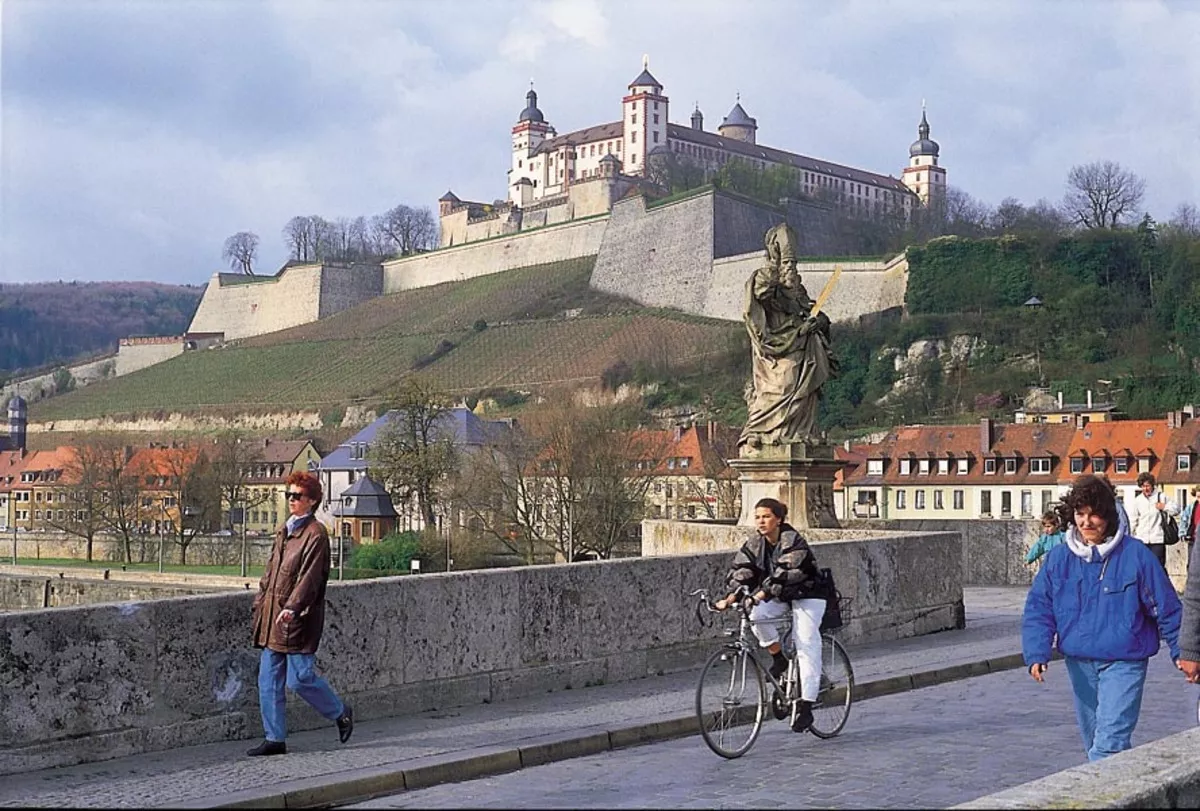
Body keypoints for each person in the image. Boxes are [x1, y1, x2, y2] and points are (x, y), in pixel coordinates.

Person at [1022, 474, 1181, 762]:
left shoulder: (1136, 555)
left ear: (1108, 516)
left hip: (1124, 661)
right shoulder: (1059, 558)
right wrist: (1036, 651)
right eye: (1080, 514)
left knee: (1108, 745)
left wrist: (1183, 651)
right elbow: (1039, 607)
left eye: (1094, 514)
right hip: (1080, 662)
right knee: (1096, 743)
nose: (1086, 522)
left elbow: (1166, 607)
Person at [247, 471, 353, 756]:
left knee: (300, 679)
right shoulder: (285, 530)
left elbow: (310, 579)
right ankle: (274, 739)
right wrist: (260, 602)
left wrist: (293, 608)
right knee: (268, 681)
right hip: (272, 616)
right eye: (289, 495)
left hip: (299, 618)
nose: (291, 500)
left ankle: (340, 712)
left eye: (297, 496)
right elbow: (270, 573)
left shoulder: (315, 534)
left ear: (312, 500)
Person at [713, 497, 827, 733]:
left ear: (779, 519)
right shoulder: (756, 543)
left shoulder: (793, 541)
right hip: (780, 596)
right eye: (757, 517)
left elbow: (786, 573)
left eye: (766, 516)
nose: (761, 521)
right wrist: (730, 598)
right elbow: (742, 570)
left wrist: (759, 594)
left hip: (808, 594)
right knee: (756, 615)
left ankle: (807, 706)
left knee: (806, 642)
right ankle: (779, 658)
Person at [739, 223, 836, 450]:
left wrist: (819, 322)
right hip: (777, 348)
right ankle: (761, 429)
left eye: (793, 263)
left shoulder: (798, 290)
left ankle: (801, 431)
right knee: (785, 383)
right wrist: (774, 267)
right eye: (787, 262)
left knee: (806, 388)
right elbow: (758, 297)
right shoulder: (765, 280)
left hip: (802, 347)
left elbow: (811, 310)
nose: (791, 267)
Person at [1126, 472, 1179, 569]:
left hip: (1157, 540)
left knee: (1158, 567)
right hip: (1142, 540)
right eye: (1143, 486)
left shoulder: (1162, 497)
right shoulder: (1138, 501)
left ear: (1152, 485)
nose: (1145, 489)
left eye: (1148, 486)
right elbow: (1133, 521)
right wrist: (1129, 537)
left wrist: (1164, 507)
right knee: (1142, 567)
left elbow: (1176, 510)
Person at [1180, 484, 1200, 570]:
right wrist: (1182, 533)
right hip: (1193, 539)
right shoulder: (1191, 507)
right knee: (1192, 564)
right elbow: (1184, 519)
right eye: (1198, 497)